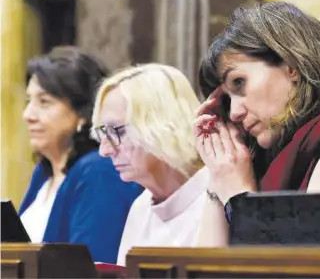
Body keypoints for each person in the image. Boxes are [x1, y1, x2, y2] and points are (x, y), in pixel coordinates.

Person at [194, 2, 320, 246]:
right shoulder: (263, 157)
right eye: (226, 100)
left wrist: (239, 199)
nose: (234, 112)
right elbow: (204, 268)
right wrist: (220, 173)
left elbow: (303, 269)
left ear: (291, 64)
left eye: (239, 82)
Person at [19, 46, 143, 263]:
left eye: (44, 102)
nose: (28, 115)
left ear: (82, 113)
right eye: (29, 101)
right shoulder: (44, 172)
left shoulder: (99, 171)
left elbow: (91, 266)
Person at [92, 63, 209, 265]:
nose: (105, 150)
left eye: (117, 131)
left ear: (162, 126)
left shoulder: (218, 198)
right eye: (104, 133)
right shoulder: (141, 206)